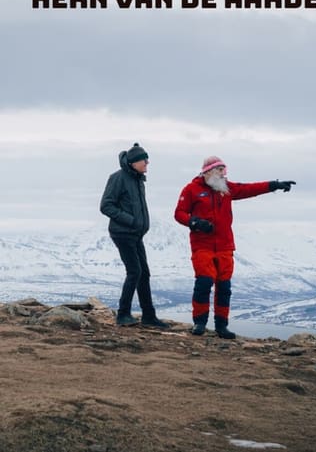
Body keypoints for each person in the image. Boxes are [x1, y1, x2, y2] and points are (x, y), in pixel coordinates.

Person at [174, 156, 296, 339]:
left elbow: (250, 189)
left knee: (224, 286)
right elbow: (179, 213)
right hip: (202, 246)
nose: (224, 174)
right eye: (220, 170)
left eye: (224, 170)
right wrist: (195, 222)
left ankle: (221, 326)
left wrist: (275, 185)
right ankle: (199, 323)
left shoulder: (226, 189)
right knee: (204, 283)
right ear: (208, 172)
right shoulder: (192, 189)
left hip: (225, 246)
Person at [100, 143, 168, 328]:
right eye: (144, 160)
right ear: (133, 162)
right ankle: (123, 314)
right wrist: (130, 220)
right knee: (135, 272)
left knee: (143, 273)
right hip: (122, 233)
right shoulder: (118, 178)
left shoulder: (138, 179)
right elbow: (106, 205)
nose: (147, 163)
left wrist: (139, 225)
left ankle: (148, 316)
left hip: (136, 234)